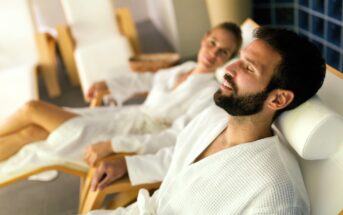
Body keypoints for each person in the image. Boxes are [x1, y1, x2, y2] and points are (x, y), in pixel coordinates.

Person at [89, 26, 326, 214]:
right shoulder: (213, 116)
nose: (230, 68)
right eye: (239, 59)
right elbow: (177, 156)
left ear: (278, 99)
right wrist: (127, 165)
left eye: (248, 67)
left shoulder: (274, 193)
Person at [0, 22, 242, 169]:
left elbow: (177, 136)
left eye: (223, 52)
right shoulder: (184, 68)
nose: (213, 53)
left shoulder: (209, 92)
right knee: (32, 132)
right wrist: (108, 84)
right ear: (205, 38)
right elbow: (148, 80)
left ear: (229, 59)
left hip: (126, 135)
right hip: (119, 117)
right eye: (212, 43)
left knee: (33, 108)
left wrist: (113, 145)